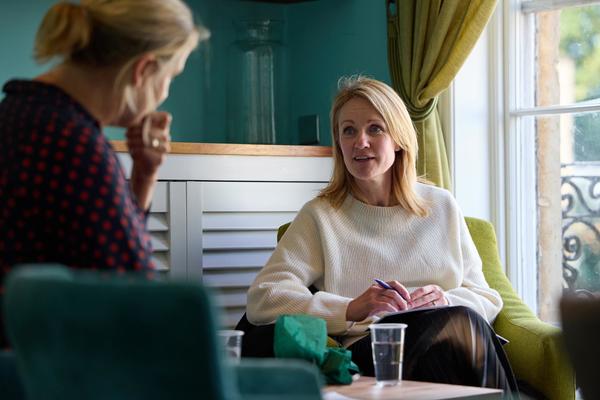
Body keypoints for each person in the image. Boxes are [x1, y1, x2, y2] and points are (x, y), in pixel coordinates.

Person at [242, 76, 518, 395]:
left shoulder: (442, 206)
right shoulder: (321, 215)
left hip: (443, 345)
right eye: (349, 130)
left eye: (375, 128)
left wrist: (446, 300)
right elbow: (263, 297)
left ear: (399, 138)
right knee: (462, 324)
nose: (361, 142)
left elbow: (485, 296)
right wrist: (350, 308)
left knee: (456, 328)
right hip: (372, 352)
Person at [0, 0, 209, 347]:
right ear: (143, 70)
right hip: (55, 369)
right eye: (170, 78)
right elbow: (131, 294)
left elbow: (99, 254)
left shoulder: (17, 113)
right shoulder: (75, 143)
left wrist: (144, 175)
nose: (165, 93)